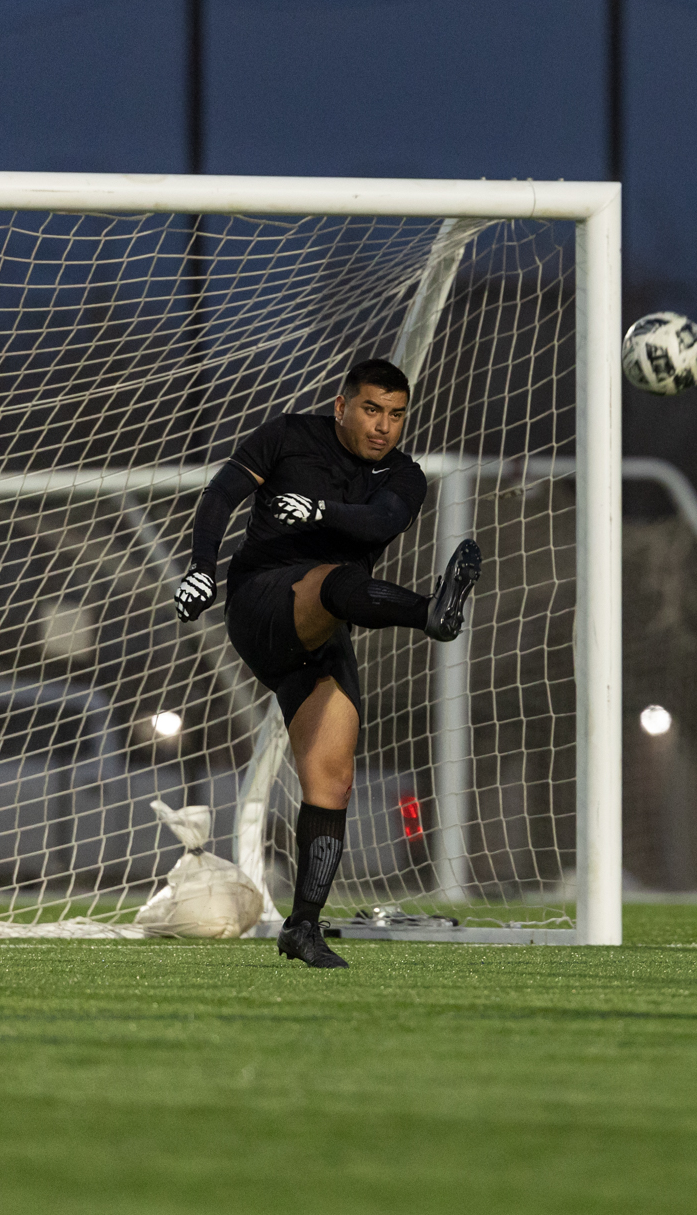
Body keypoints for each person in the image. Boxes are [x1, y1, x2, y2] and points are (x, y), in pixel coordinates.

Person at [173, 357, 481, 969]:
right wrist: (202, 568)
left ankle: (303, 927)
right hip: (262, 601)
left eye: (396, 415)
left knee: (332, 781)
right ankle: (429, 613)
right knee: (336, 580)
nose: (383, 426)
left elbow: (380, 520)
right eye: (371, 409)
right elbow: (220, 495)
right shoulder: (288, 435)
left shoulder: (405, 477)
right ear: (342, 406)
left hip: (325, 625)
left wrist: (319, 511)